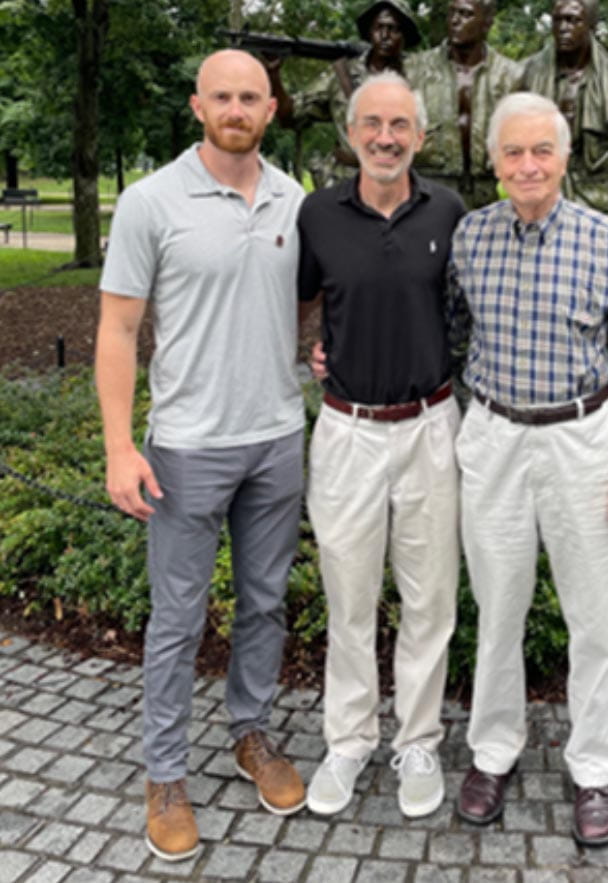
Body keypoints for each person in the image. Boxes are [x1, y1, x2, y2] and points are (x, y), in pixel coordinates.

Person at [95, 49, 307, 862]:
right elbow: (116, 330)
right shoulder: (151, 201)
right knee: (178, 617)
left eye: (250, 96)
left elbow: (305, 301)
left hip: (278, 437)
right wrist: (120, 445)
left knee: (264, 601)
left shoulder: (295, 198)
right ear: (197, 106)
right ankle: (165, 771)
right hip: (185, 446)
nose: (236, 107)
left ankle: (249, 731)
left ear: (271, 108)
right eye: (222, 95)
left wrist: (318, 355)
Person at [449, 92, 608, 846]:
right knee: (498, 610)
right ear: (493, 161)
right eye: (512, 152)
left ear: (566, 157)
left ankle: (594, 768)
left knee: (595, 617)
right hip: (493, 439)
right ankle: (492, 753)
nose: (527, 164)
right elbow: (442, 335)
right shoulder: (470, 239)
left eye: (541, 150)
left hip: (585, 439)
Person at [297, 71, 464, 819]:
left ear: (420, 136)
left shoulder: (453, 211)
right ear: (351, 133)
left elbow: (468, 306)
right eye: (372, 123)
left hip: (432, 427)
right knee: (349, 596)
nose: (385, 137)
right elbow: (305, 298)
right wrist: (315, 346)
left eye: (399, 124)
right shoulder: (318, 214)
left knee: (430, 600)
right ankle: (349, 739)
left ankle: (418, 739)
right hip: (347, 432)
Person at [523, 0, 608, 244]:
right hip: (540, 199)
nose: (563, 28)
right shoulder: (528, 72)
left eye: (573, 20)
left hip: (594, 201)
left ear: (591, 25)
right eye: (558, 20)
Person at [268, 0, 421, 185]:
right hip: (346, 183)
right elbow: (289, 115)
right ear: (369, 32)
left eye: (393, 29)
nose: (385, 36)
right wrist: (273, 74)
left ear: (405, 36)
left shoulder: (420, 77)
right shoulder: (342, 74)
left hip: (400, 183)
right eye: (378, 28)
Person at [405, 0, 523, 208]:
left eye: (465, 14)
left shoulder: (511, 76)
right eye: (451, 14)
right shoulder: (414, 70)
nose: (455, 21)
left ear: (486, 22)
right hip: (428, 189)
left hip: (489, 194)